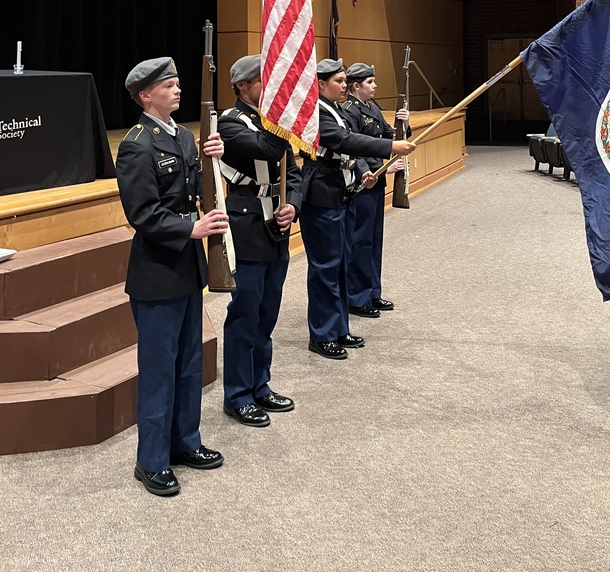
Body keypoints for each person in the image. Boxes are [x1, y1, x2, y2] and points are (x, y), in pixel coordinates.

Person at [116, 57, 229, 497]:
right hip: (157, 271)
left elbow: (196, 188)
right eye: (169, 85)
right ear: (146, 95)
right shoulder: (137, 144)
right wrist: (191, 228)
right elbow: (142, 214)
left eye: (179, 83)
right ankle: (152, 461)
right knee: (160, 369)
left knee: (188, 363)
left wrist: (211, 159)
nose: (178, 90)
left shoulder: (182, 136)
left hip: (186, 268)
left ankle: (185, 443)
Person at [299, 58, 415, 359]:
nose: (344, 86)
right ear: (321, 84)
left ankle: (339, 327)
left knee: (340, 264)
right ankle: (322, 334)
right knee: (325, 268)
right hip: (322, 192)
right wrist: (390, 148)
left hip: (341, 190)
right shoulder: (316, 113)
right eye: (338, 81)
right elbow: (343, 140)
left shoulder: (336, 109)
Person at [218, 55, 302, 427]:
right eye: (261, 81)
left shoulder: (272, 123)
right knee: (245, 313)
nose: (268, 87)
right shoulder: (230, 122)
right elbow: (270, 150)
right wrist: (282, 118)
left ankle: (260, 384)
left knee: (267, 311)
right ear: (241, 86)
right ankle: (237, 394)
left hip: (276, 226)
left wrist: (293, 206)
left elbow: (295, 173)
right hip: (248, 225)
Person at [342, 62, 410, 318]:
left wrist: (404, 124)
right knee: (360, 241)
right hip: (364, 183)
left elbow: (389, 137)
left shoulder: (372, 108)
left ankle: (372, 291)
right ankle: (356, 297)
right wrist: (370, 171)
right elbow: (352, 146)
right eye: (370, 82)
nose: (375, 86)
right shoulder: (349, 110)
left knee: (374, 239)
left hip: (377, 182)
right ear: (356, 85)